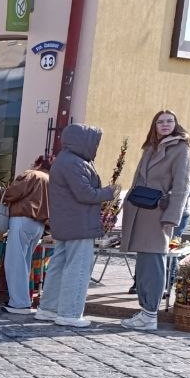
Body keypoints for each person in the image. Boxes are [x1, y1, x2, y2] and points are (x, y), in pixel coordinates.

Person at [120, 110, 190, 331]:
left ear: (176, 124)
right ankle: (145, 312)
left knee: (154, 262)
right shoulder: (150, 148)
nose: (165, 125)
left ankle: (150, 314)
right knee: (144, 263)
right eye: (160, 122)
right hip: (140, 210)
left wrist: (172, 216)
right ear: (154, 125)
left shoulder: (181, 149)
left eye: (170, 121)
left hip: (159, 214)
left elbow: (182, 186)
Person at [36, 123, 116, 329]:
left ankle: (48, 308)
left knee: (59, 266)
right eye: (95, 143)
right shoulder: (75, 162)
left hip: (67, 223)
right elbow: (85, 193)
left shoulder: (65, 159)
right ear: (83, 142)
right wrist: (109, 192)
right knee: (78, 269)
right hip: (79, 224)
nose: (96, 147)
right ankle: (70, 313)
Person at [0, 155, 52, 314]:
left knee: (15, 262)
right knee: (24, 263)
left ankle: (19, 303)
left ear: (39, 164)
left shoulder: (32, 174)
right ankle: (23, 300)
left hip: (22, 219)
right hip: (39, 224)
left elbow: (13, 192)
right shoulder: (51, 181)